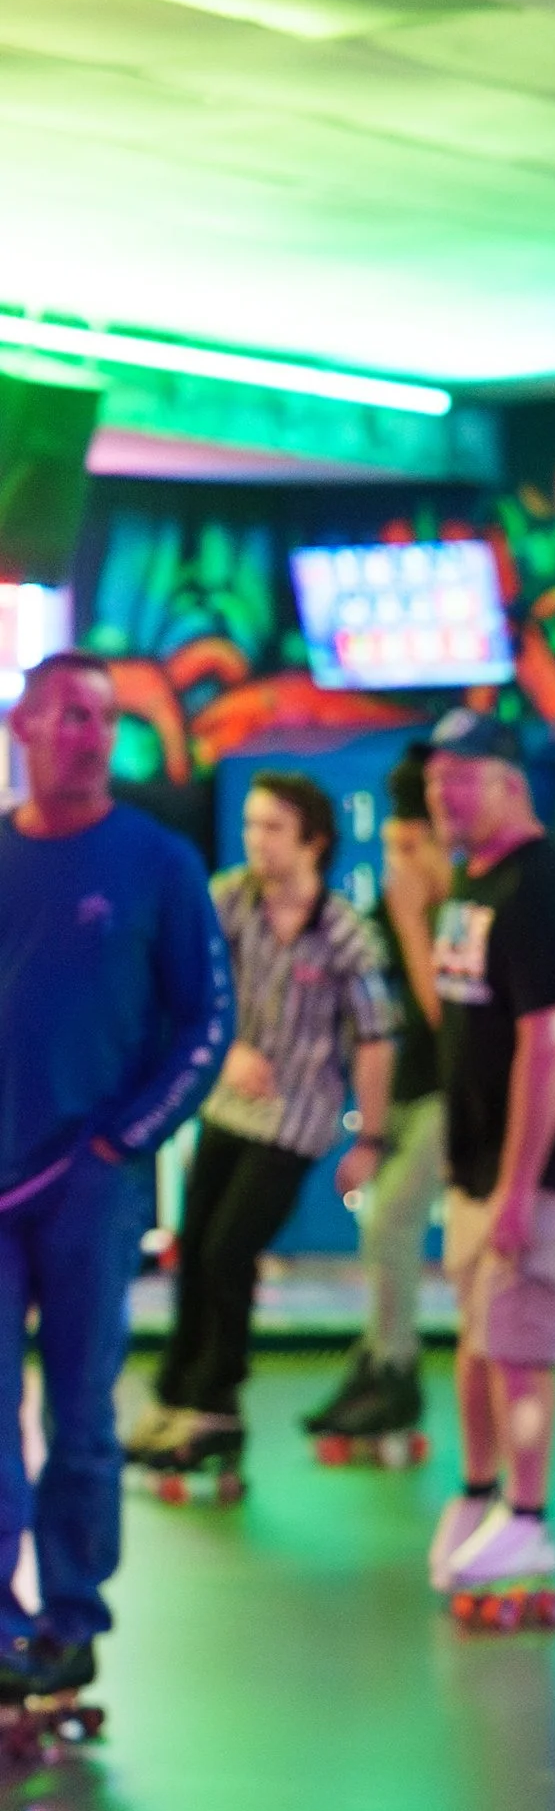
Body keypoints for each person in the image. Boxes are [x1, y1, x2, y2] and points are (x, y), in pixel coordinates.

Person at [0, 649, 229, 1695]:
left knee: (84, 1416)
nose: (88, 735)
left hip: (92, 1190)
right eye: (68, 716)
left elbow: (206, 1022)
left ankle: (73, 1615)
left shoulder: (158, 863)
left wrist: (122, 1143)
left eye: (101, 718)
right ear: (21, 729)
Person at [128, 770, 397, 1477]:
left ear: (312, 840)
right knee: (197, 1250)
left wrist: (369, 1137)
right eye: (250, 825)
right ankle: (176, 1396)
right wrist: (228, 1052)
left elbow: (375, 1036)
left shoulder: (343, 932)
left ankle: (217, 1408)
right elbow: (187, 991)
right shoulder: (227, 900)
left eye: (272, 827)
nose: (256, 841)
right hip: (227, 1107)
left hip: (294, 1122)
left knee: (227, 1251)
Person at [418, 707, 555, 1606]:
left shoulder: (543, 891)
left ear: (510, 783)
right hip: (480, 1171)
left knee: (520, 1347)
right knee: (478, 1344)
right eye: (435, 781)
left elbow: (552, 1044)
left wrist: (517, 1186)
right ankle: (479, 1494)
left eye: (460, 778)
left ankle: (531, 1519)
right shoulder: (477, 886)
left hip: (541, 1173)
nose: (443, 795)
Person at [304, 746, 450, 1449]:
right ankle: (382, 1361)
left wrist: (416, 918)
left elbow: (443, 1018)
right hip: (405, 1095)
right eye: (390, 844)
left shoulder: (452, 909)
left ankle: (394, 1371)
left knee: (391, 1222)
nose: (397, 858)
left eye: (411, 844)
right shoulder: (383, 913)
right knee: (379, 1230)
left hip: (451, 1095)